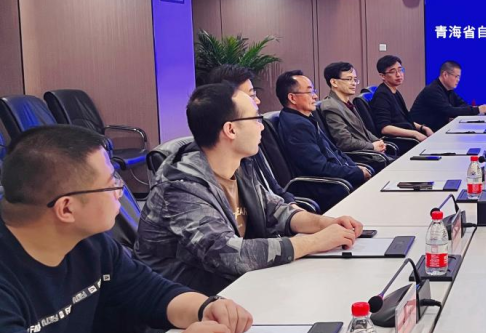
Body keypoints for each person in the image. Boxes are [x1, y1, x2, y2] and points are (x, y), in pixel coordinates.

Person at [0, 126, 254, 333]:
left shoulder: (90, 243)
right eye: (111, 184)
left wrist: (205, 308)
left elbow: (147, 291)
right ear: (66, 208)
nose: (120, 190)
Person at [137, 83, 363, 294]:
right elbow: (225, 253)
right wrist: (315, 242)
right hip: (192, 303)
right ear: (231, 130)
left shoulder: (239, 164)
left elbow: (274, 210)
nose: (262, 126)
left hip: (241, 286)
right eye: (256, 118)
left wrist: (325, 224)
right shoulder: (179, 186)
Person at [206, 64, 300, 205]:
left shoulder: (248, 144)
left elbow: (273, 193)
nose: (258, 101)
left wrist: (293, 209)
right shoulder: (207, 174)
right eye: (252, 95)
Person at [275, 70, 372, 194]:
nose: (315, 96)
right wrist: (355, 172)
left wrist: (355, 168)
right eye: (310, 92)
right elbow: (318, 167)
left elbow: (334, 151)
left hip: (335, 177)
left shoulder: (304, 118)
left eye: (313, 91)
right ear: (292, 98)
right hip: (324, 186)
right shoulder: (298, 126)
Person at [321, 61, 392, 170]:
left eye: (355, 79)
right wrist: (372, 146)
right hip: (362, 160)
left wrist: (378, 141)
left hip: (372, 155)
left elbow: (363, 131)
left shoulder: (346, 103)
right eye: (349, 79)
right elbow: (345, 142)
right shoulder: (331, 106)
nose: (353, 83)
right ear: (334, 82)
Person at [370, 55, 431, 152]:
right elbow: (385, 128)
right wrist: (415, 134)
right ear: (382, 76)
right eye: (392, 72)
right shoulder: (382, 95)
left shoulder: (394, 91)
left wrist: (422, 128)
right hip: (400, 142)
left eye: (400, 70)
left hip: (408, 138)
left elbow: (404, 118)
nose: (398, 74)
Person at [410, 60, 486, 131]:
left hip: (437, 131)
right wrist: (477, 110)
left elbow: (462, 104)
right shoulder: (433, 90)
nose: (458, 80)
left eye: (459, 77)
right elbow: (450, 111)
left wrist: (472, 109)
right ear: (445, 75)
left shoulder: (448, 90)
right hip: (423, 132)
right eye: (456, 77)